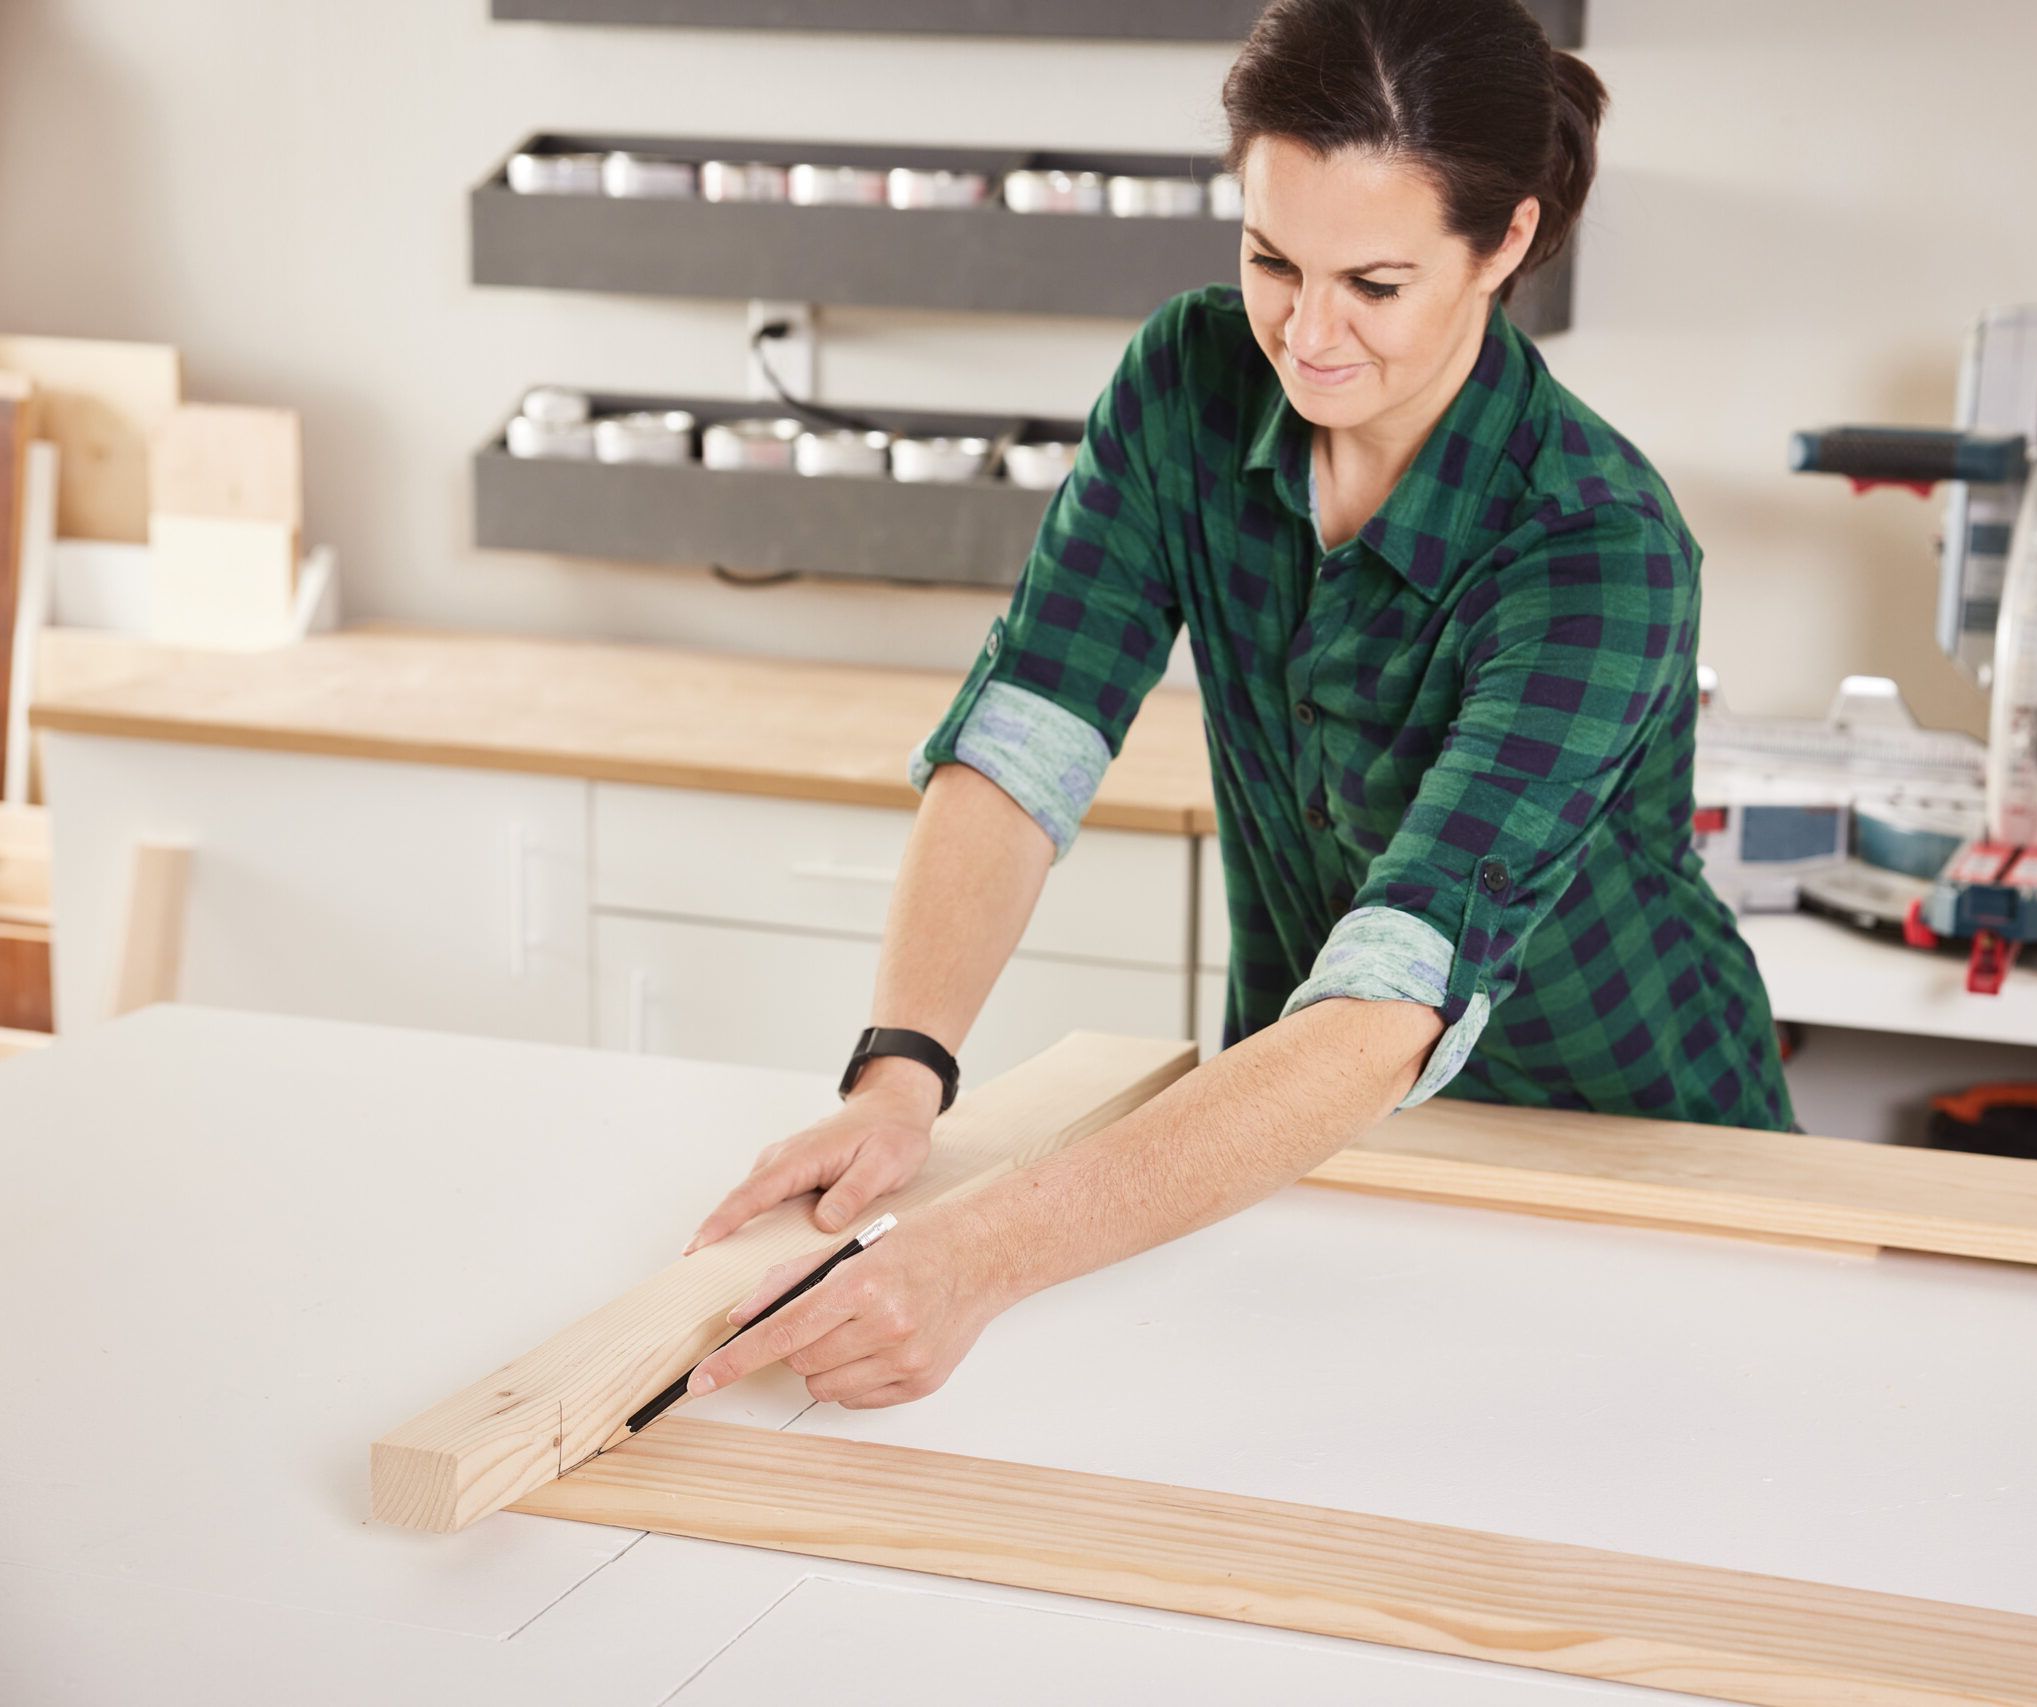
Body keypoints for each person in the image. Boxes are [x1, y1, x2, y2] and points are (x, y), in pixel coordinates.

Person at [678, 0, 1794, 1414]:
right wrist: (900, 1074)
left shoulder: (1595, 545)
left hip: (1635, 1155)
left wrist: (983, 1254)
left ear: (1503, 241)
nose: (1306, 334)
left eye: (1375, 285)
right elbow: (1029, 735)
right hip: (1294, 1133)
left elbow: (1397, 990)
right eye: (1272, 258)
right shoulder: (1188, 383)